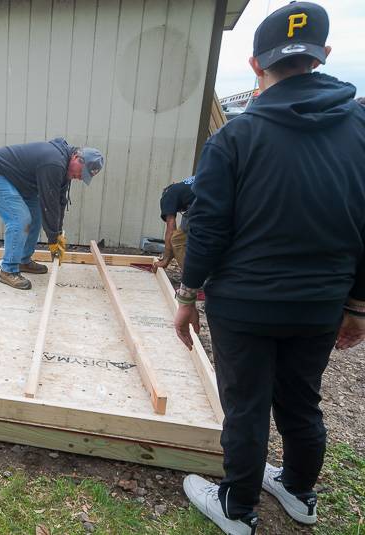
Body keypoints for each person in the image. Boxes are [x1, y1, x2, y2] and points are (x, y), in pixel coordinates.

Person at [173, 3, 365, 534]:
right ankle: (300, 493)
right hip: (320, 302)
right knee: (302, 400)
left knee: (247, 404)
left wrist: (187, 297)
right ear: (323, 55)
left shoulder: (235, 137)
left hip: (246, 303)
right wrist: (357, 305)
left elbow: (208, 228)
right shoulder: (361, 128)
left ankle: (237, 507)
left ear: (257, 64)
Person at [0, 138, 104, 289]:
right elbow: (48, 205)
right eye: (81, 172)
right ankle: (8, 270)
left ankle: (23, 260)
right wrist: (52, 240)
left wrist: (57, 235)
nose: (80, 177)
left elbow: (59, 203)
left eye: (84, 176)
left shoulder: (64, 167)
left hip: (19, 181)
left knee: (35, 218)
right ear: (77, 158)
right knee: (21, 219)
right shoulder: (55, 163)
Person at [153, 176, 195, 272]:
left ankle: (190, 281)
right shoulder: (185, 187)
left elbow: (171, 230)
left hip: (204, 203)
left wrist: (165, 260)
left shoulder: (167, 197)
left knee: (177, 240)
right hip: (221, 198)